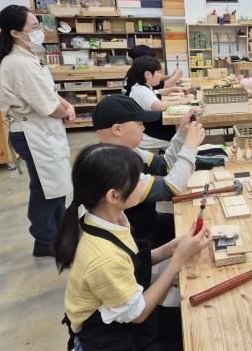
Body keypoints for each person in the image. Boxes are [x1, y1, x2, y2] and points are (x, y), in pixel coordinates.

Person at [55, 143, 210, 351]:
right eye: (137, 180)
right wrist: (177, 261)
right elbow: (138, 314)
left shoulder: (107, 219)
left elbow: (129, 260)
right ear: (113, 196)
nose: (144, 183)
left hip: (122, 314)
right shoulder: (102, 256)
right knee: (198, 336)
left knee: (196, 322)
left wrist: (170, 248)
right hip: (110, 339)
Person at [0, 5, 74, 257]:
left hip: (43, 129)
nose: (38, 31)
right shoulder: (18, 63)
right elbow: (47, 106)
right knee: (46, 188)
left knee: (57, 183)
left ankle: (59, 230)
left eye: (38, 25)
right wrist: (65, 111)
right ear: (15, 33)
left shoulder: (29, 55)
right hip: (33, 132)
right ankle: (45, 240)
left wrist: (66, 105)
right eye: (33, 27)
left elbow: (49, 92)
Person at [93, 95, 205, 247]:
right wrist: (190, 147)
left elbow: (165, 164)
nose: (144, 128)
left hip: (150, 222)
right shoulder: (112, 167)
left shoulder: (128, 150)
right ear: (117, 129)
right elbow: (171, 188)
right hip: (138, 240)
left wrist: (182, 133)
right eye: (140, 124)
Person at [128, 55, 192, 149]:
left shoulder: (140, 87)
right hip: (148, 133)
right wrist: (181, 102)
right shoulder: (142, 91)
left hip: (149, 126)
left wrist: (174, 89)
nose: (161, 75)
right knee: (183, 139)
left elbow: (157, 92)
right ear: (147, 74)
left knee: (177, 130)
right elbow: (160, 106)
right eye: (158, 72)